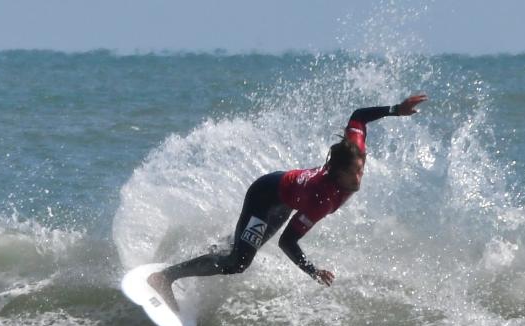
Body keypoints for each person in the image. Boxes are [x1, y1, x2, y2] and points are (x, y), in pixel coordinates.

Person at [147, 93, 429, 311]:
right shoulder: (322, 199)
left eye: (361, 168)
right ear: (337, 172)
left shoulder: (354, 148)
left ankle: (212, 251)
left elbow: (358, 116)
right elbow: (288, 242)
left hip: (286, 201)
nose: (359, 176)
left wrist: (396, 110)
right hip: (264, 197)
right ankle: (165, 277)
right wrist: (312, 270)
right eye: (353, 172)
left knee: (241, 246)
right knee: (239, 262)